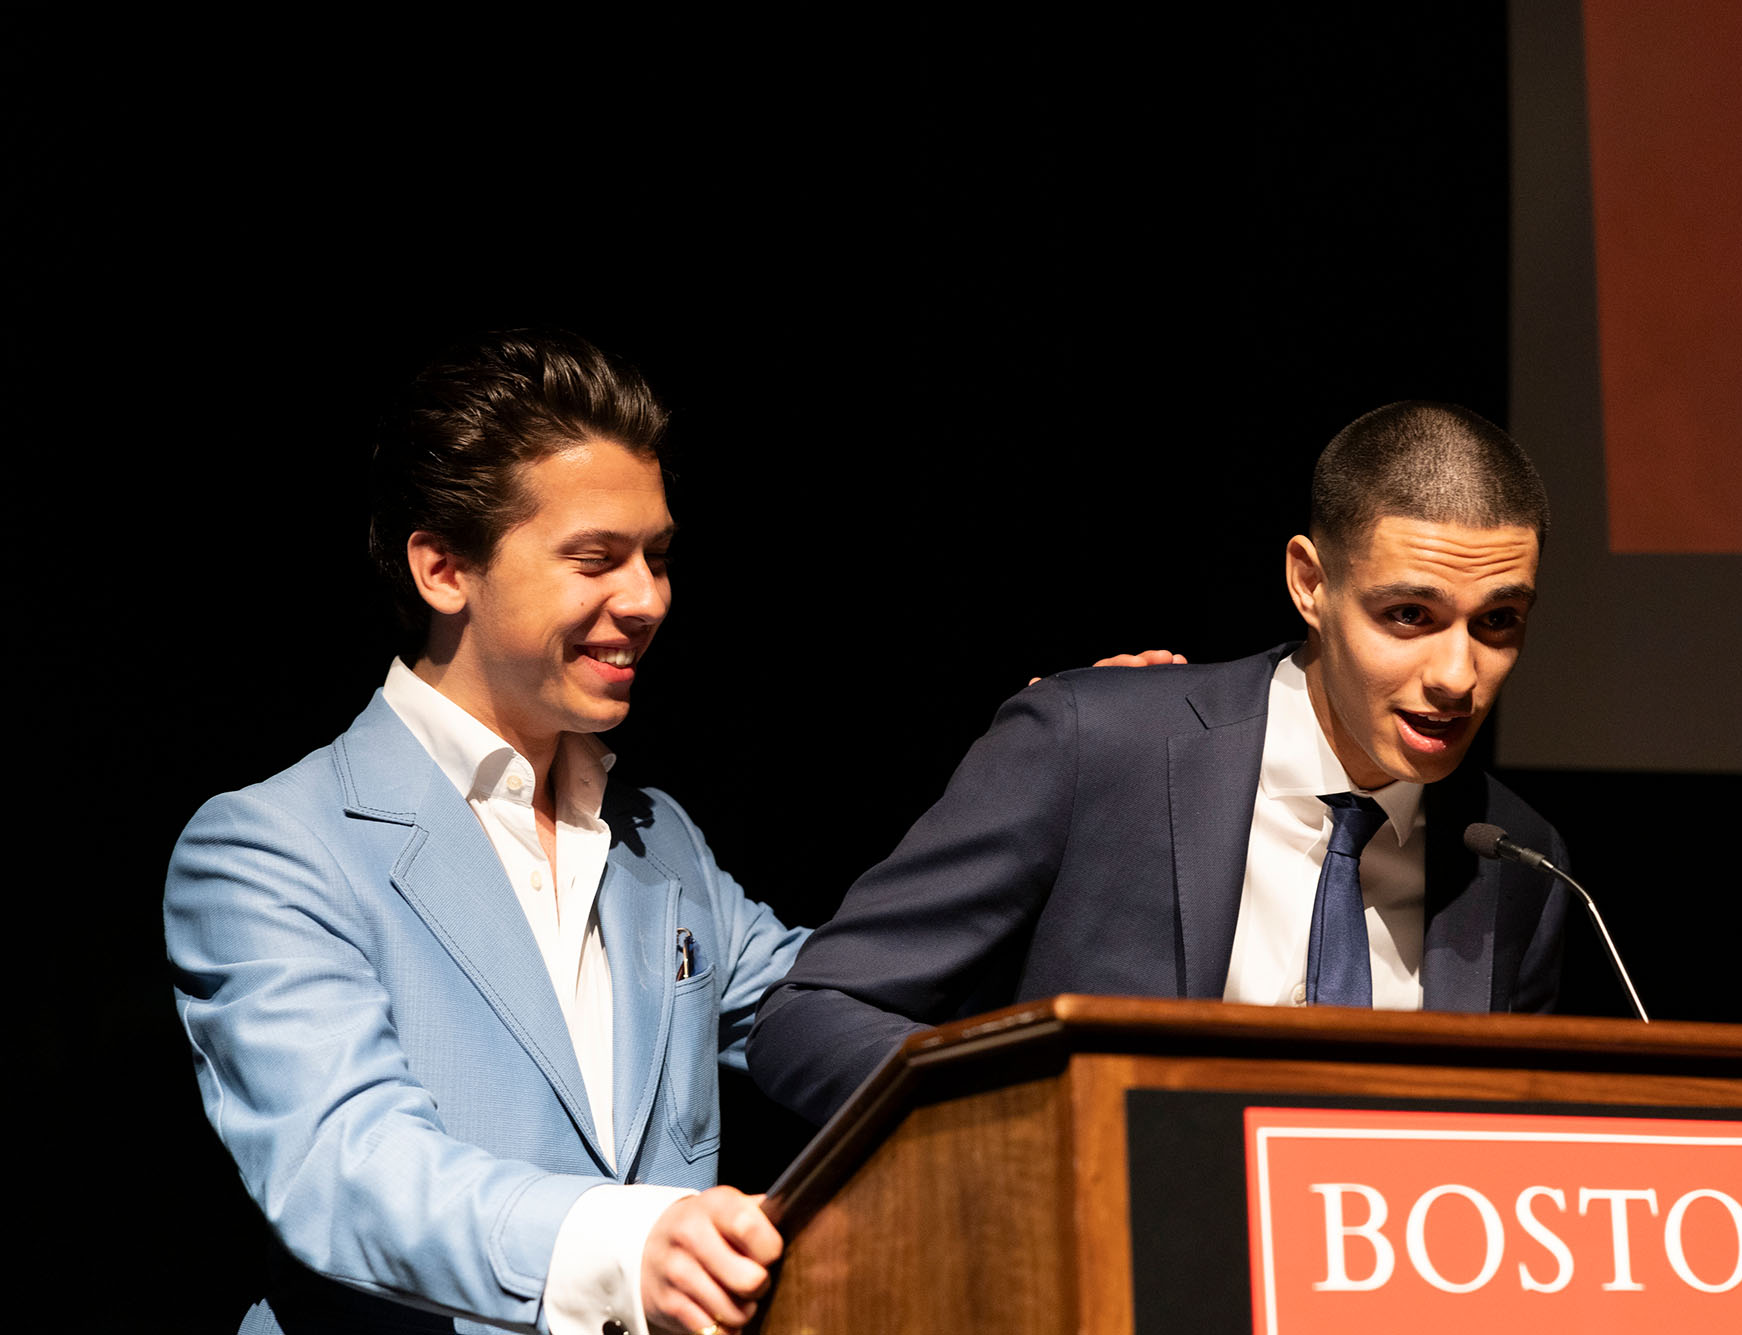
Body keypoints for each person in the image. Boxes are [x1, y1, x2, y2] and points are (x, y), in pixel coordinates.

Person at [165, 330, 804, 1335]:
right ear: (442, 569)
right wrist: (625, 1246)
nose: (645, 600)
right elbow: (348, 1165)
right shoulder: (267, 848)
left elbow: (839, 1013)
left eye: (658, 558)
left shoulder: (658, 837)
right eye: (596, 558)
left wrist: (1055, 775)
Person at [748, 401, 1571, 1126]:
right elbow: (812, 1015)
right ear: (1309, 583)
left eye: (1498, 621)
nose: (1458, 675)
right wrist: (1044, 1122)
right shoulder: (1096, 743)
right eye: (1409, 615)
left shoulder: (1517, 859)